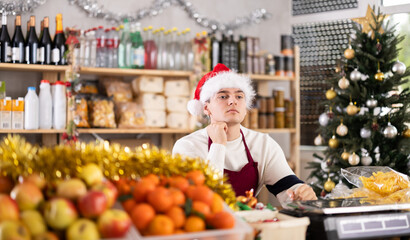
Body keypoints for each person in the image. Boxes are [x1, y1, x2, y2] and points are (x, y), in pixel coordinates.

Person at [172, 63, 317, 206]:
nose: (232, 101)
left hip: (250, 226)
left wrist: (300, 193)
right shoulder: (187, 146)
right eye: (223, 96)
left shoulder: (262, 143)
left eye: (239, 97)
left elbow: (286, 187)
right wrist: (218, 145)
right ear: (206, 108)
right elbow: (204, 199)